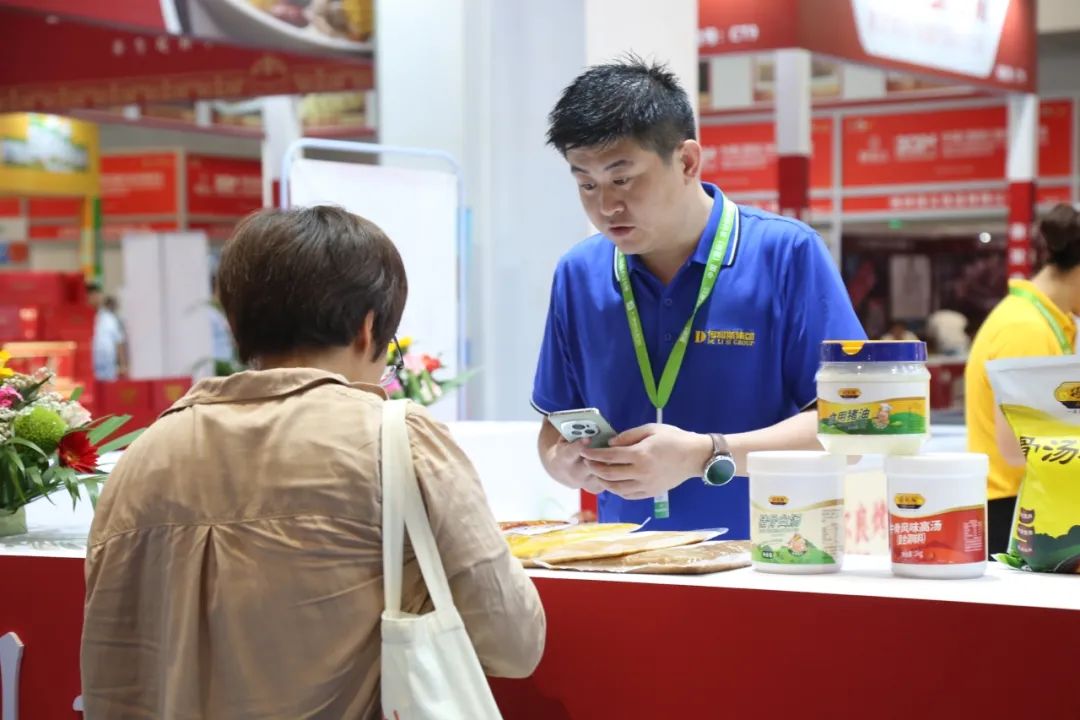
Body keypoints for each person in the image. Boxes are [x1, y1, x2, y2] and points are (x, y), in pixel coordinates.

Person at [82, 206, 545, 719]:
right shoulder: (395, 441)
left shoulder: (143, 457)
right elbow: (513, 641)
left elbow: (112, 670)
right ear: (368, 329)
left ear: (236, 324)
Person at [532, 58, 866, 535]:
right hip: (625, 564)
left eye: (622, 178)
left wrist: (706, 453)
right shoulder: (579, 273)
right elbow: (554, 424)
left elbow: (851, 427)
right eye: (586, 183)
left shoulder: (785, 254)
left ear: (687, 161)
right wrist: (565, 463)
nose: (606, 206)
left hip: (768, 562)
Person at [966, 203, 1080, 556]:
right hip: (1014, 511)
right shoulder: (1024, 327)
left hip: (1028, 504)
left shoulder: (1045, 320)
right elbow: (1017, 447)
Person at [88, 284, 127, 381]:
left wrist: (123, 365)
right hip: (89, 368)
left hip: (108, 369)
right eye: (92, 295)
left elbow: (119, 342)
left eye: (97, 295)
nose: (95, 298)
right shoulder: (81, 319)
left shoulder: (109, 318)